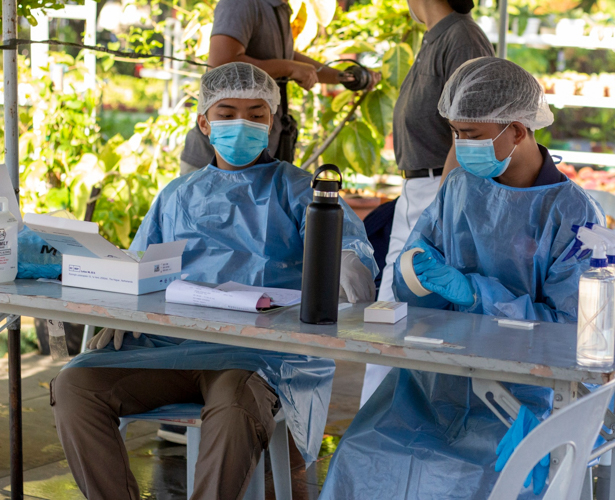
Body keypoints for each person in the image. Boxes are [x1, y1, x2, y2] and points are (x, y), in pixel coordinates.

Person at [50, 62, 378, 500]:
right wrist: (122, 305)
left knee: (234, 403)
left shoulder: (298, 190)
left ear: (273, 121)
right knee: (74, 386)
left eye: (256, 114)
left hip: (256, 357)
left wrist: (347, 260)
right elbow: (140, 265)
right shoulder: (177, 195)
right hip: (170, 347)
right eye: (227, 112)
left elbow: (350, 252)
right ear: (204, 121)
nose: (241, 123)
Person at [320, 57, 604, 499]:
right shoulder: (458, 189)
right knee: (362, 455)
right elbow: (412, 279)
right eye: (455, 133)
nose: (459, 146)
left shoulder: (575, 214)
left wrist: (475, 293)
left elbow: (573, 328)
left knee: (462, 478)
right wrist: (416, 278)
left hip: (526, 395)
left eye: (470, 135)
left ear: (518, 129)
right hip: (436, 382)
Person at [360, 0, 494, 407]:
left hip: (441, 190)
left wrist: (444, 207)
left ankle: (381, 428)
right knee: (388, 317)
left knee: (397, 314)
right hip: (419, 190)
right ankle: (376, 428)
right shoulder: (435, 37)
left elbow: (471, 129)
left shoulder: (461, 37)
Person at [180, 0, 380, 174]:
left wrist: (343, 77)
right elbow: (222, 64)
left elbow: (286, 57)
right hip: (215, 163)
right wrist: (288, 68)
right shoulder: (242, 3)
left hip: (257, 160)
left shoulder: (278, 8)